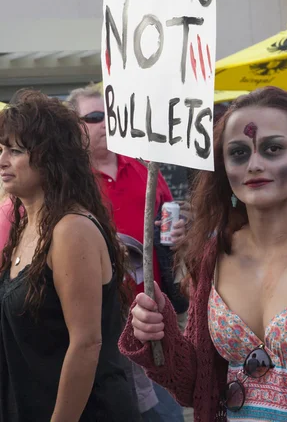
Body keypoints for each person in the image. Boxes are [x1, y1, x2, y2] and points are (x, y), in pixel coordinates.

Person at [120, 87, 287, 421]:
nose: (254, 164)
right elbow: (199, 384)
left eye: (273, 148)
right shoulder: (216, 256)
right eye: (238, 153)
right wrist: (158, 332)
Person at [0, 90, 135, 422]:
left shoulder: (71, 229)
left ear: (51, 159)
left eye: (15, 151)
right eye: (2, 148)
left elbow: (86, 345)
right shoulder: (26, 223)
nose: (2, 159)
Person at [66, 84, 186, 422]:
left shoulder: (145, 169)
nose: (105, 123)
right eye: (93, 117)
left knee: (165, 412)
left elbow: (168, 224)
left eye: (110, 115)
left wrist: (179, 234)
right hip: (100, 320)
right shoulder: (69, 183)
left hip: (152, 316)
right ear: (75, 127)